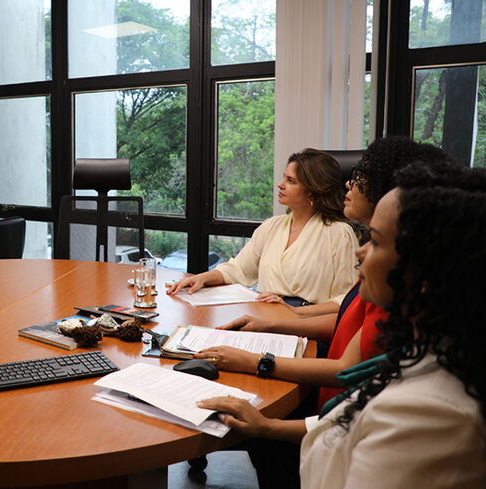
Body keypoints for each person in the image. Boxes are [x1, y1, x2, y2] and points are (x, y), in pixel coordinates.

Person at [198, 161, 486, 488]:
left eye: (375, 242)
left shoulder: (424, 416)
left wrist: (260, 362)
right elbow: (344, 420)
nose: (361, 253)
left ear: (425, 271)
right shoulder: (417, 355)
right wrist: (267, 427)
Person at [168, 149, 358, 308]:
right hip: (264, 318)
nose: (280, 184)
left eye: (291, 181)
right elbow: (240, 268)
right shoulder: (271, 227)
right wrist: (203, 278)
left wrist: (293, 310)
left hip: (307, 325)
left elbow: (346, 299)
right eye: (284, 178)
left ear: (313, 191)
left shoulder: (339, 234)